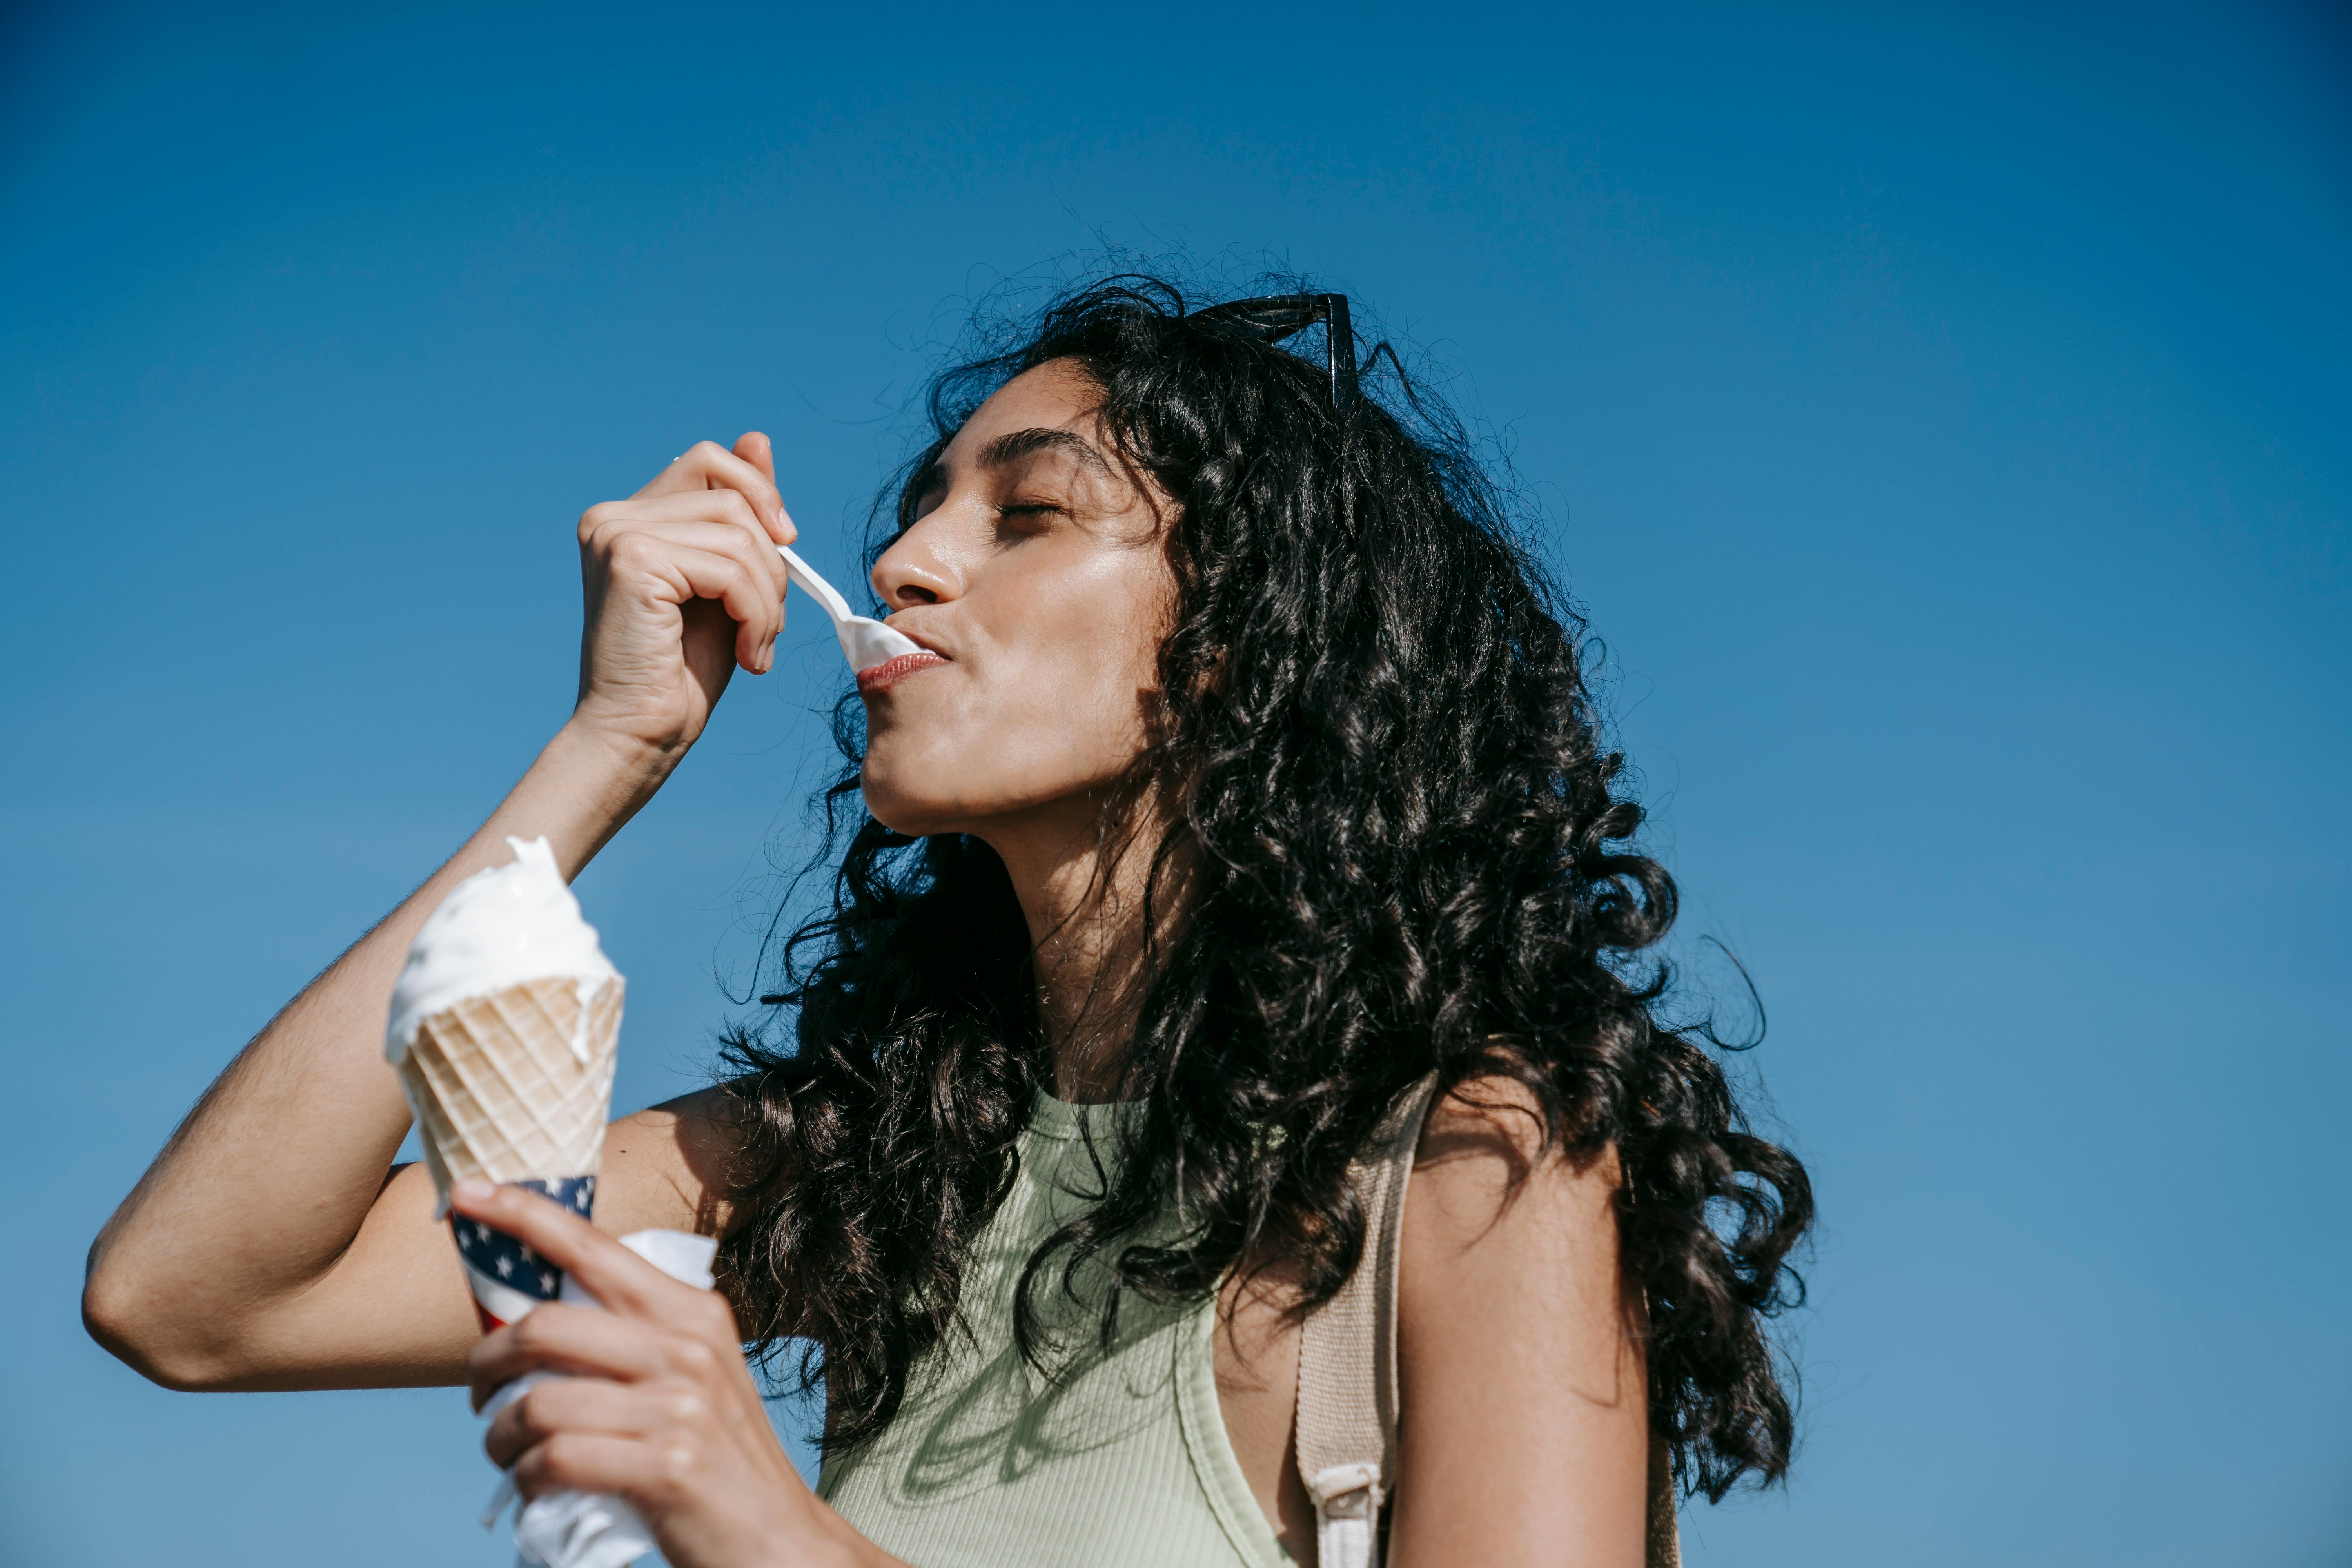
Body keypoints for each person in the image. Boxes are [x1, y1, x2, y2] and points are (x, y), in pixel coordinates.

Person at [83, 275, 1812, 1568]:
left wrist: (782, 1536)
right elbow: (199, 1294)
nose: (906, 557)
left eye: (1029, 511)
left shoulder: (1471, 1169)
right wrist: (605, 749)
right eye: (924, 507)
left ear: (1236, 647)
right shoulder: (867, 1162)